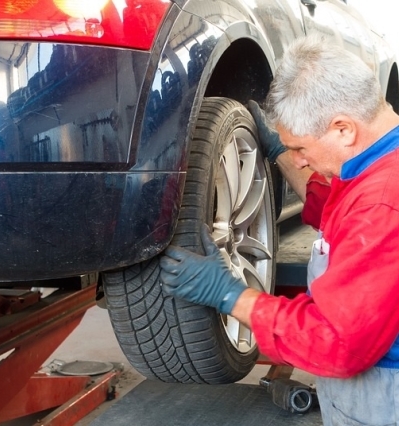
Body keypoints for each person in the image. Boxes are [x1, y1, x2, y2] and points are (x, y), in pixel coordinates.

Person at [160, 36, 399, 425]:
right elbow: (338, 210)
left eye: (301, 149)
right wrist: (280, 151)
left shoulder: (383, 204)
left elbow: (336, 344)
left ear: (343, 129)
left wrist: (230, 295)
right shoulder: (379, 160)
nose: (300, 162)